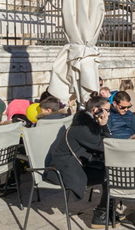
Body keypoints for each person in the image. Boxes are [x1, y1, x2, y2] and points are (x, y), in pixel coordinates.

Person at [45, 96, 115, 228]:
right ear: (96, 110)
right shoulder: (83, 128)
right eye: (107, 110)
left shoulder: (88, 123)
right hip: (65, 170)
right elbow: (107, 145)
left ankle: (107, 210)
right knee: (111, 175)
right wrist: (104, 125)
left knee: (111, 172)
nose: (109, 114)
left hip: (78, 163)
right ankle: (101, 214)